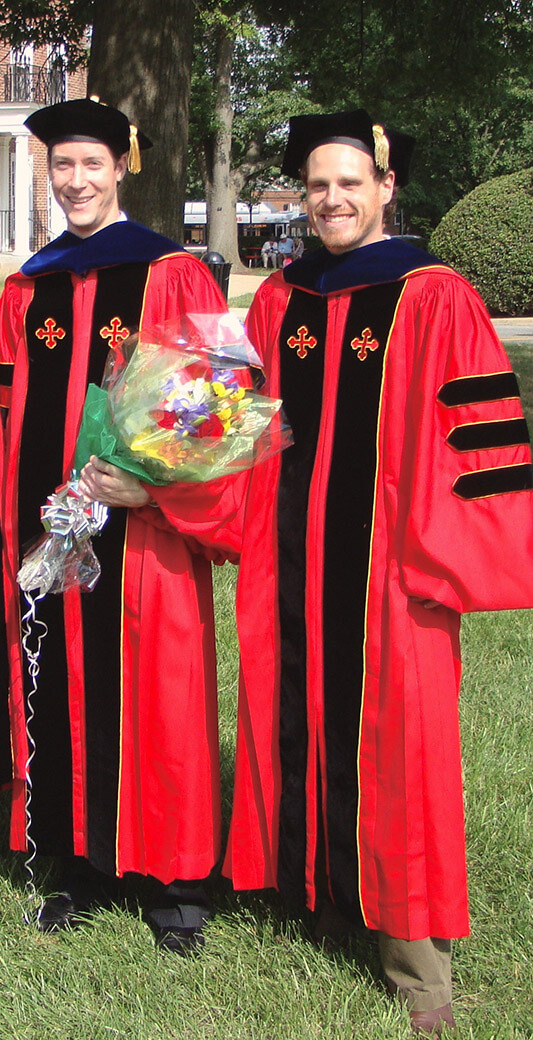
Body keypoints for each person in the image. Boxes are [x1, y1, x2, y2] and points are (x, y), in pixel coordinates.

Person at [223, 110, 533, 1034]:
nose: (331, 198)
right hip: (289, 563)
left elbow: (474, 443)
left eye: (350, 182)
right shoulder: (279, 301)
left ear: (386, 188)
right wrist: (169, 455)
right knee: (294, 718)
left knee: (398, 748)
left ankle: (415, 967)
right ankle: (307, 895)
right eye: (317, 184)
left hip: (390, 571)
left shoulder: (434, 295)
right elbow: (240, 423)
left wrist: (442, 563)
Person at [0, 97, 245, 952]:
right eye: (61, 167)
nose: (75, 181)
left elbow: (215, 409)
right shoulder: (27, 286)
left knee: (157, 693)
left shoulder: (174, 272)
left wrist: (156, 495)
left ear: (121, 168)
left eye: (90, 165)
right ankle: (74, 863)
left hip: (144, 539)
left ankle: (174, 880)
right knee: (58, 679)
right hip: (47, 531)